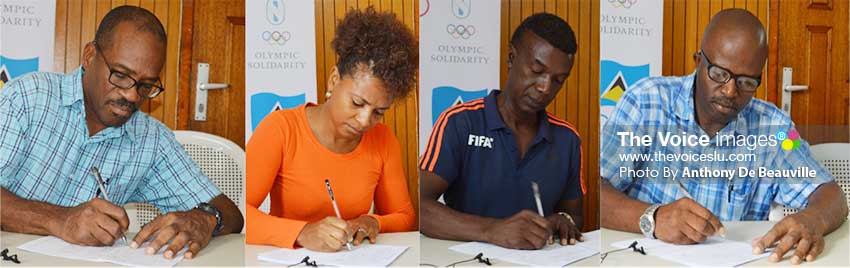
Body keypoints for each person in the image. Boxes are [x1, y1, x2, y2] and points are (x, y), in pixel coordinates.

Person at [600, 9, 848, 265]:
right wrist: (654, 217)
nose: (730, 91)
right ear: (698, 62)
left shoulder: (775, 127)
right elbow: (596, 189)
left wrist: (812, 219)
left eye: (746, 82)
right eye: (719, 74)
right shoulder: (645, 101)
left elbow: (832, 195)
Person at [0, 6, 243, 260]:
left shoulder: (150, 140)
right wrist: (60, 219)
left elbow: (231, 215)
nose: (132, 95)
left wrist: (204, 219)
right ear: (89, 56)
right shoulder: (28, 99)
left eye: (146, 85)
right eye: (121, 75)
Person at [245, 7, 417, 252]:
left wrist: (372, 221)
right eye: (357, 103)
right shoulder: (281, 128)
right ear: (334, 80)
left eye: (379, 112)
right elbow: (242, 214)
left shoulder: (384, 139)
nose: (364, 120)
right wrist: (302, 232)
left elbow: (403, 215)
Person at [419, 13, 585, 250]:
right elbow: (419, 207)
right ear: (511, 58)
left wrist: (562, 221)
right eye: (537, 70)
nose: (545, 87)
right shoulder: (459, 122)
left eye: (558, 79)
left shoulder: (568, 139)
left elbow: (574, 216)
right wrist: (492, 230)